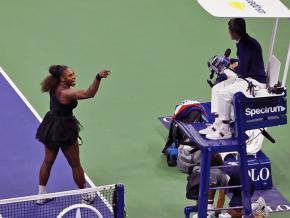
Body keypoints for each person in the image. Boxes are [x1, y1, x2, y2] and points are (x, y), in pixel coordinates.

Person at [36, 65, 111, 204]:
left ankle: (41, 194)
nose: (74, 76)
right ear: (62, 79)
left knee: (47, 161)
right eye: (70, 75)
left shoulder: (54, 85)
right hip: (64, 129)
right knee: (75, 164)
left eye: (73, 73)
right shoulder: (67, 93)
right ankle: (85, 196)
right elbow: (89, 93)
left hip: (51, 124)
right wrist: (98, 77)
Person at [199, 18, 267, 140]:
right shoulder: (245, 41)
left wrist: (228, 66)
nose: (228, 33)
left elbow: (242, 71)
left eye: (229, 31)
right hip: (248, 78)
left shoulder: (246, 45)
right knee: (216, 88)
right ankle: (217, 124)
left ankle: (225, 130)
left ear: (234, 32)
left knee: (224, 94)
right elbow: (244, 62)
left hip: (255, 83)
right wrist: (231, 61)